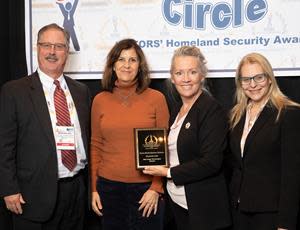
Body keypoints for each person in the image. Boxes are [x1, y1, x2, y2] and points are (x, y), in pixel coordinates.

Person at [0, 23, 91, 230]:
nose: (52, 52)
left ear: (67, 51)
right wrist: (8, 189)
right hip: (31, 196)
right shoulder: (14, 91)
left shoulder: (81, 91)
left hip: (76, 191)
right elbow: (4, 145)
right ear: (37, 48)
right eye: (46, 45)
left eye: (59, 46)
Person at [142, 46, 232, 230]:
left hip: (203, 208)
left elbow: (211, 162)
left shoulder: (211, 110)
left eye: (192, 72)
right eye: (179, 73)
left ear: (202, 75)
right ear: (172, 78)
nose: (186, 79)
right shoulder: (176, 110)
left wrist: (167, 172)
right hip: (179, 204)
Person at [90, 38, 169, 230]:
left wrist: (156, 188)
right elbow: (96, 145)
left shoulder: (156, 98)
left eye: (132, 60)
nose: (127, 65)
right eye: (121, 59)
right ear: (113, 65)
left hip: (146, 190)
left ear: (140, 66)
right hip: (108, 189)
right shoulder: (100, 100)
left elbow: (164, 147)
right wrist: (94, 189)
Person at [226, 52, 300, 230]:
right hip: (239, 210)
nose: (252, 85)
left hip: (270, 214)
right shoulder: (236, 115)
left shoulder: (288, 113)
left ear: (269, 79)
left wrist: (285, 223)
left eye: (258, 77)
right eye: (246, 79)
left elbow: (292, 175)